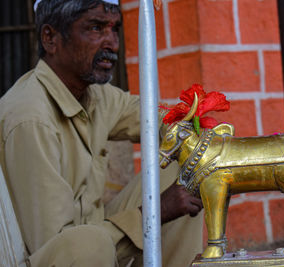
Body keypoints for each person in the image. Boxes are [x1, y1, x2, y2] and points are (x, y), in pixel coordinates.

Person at [0, 0, 203, 266]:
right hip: (48, 257)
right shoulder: (30, 119)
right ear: (50, 38)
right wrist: (154, 212)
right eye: (95, 28)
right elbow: (61, 248)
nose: (112, 44)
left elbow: (155, 118)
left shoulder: (94, 95)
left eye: (114, 29)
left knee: (187, 170)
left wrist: (196, 133)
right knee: (89, 244)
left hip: (95, 239)